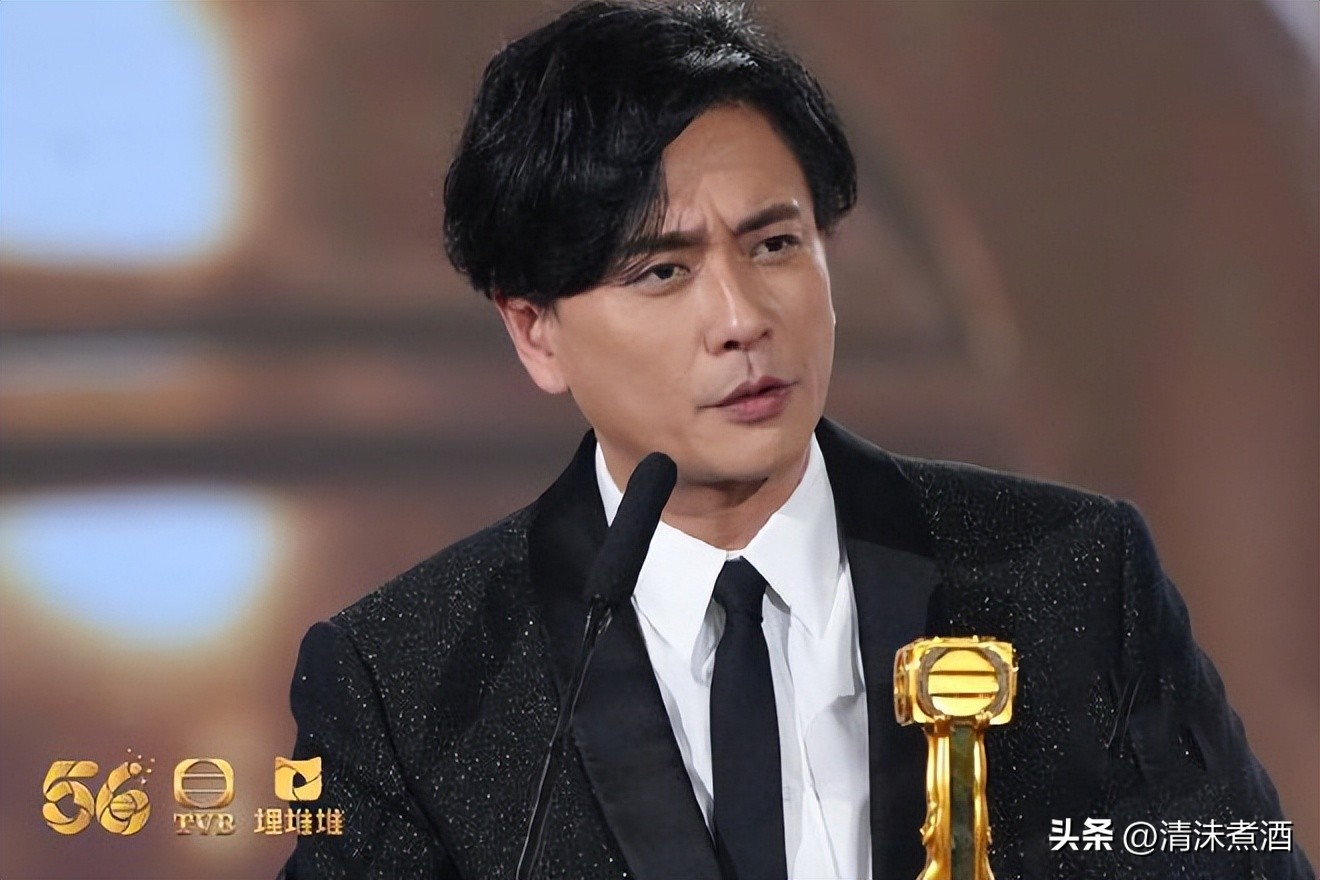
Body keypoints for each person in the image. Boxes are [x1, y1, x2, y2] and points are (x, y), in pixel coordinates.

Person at [280, 3, 1309, 878]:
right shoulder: (413, 682)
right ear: (535, 331)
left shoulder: (1071, 579)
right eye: (662, 271)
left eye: (775, 244)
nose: (741, 319)